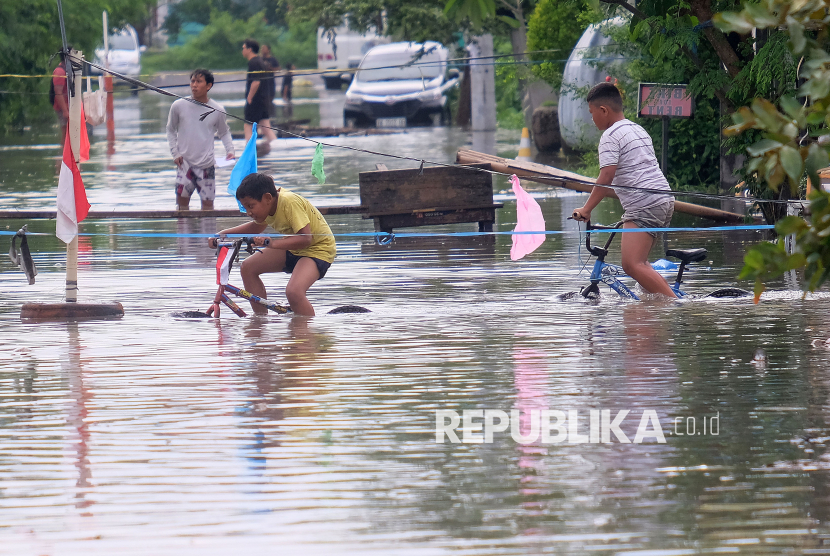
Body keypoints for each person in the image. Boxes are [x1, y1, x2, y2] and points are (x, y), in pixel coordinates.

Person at [571, 82, 677, 298]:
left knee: (631, 265)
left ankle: (675, 306)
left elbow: (606, 176)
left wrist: (587, 209)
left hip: (643, 203)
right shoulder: (636, 129)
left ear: (604, 110)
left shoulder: (610, 136)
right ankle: (650, 316)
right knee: (642, 264)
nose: (592, 119)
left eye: (592, 113)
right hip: (663, 200)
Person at [210, 173, 336, 316]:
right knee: (248, 268)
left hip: (318, 250)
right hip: (293, 248)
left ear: (268, 198)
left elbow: (306, 238)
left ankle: (307, 334)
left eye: (251, 206)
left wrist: (271, 243)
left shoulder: (289, 202)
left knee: (294, 292)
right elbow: (255, 227)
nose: (248, 212)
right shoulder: (267, 208)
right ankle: (260, 321)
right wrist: (222, 234)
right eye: (245, 207)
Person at [166, 68, 235, 211]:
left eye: (199, 82)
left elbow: (224, 132)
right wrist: (175, 153)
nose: (194, 85)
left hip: (207, 164)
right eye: (192, 81)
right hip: (184, 163)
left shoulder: (217, 109)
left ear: (208, 86)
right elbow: (170, 129)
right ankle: (184, 233)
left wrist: (230, 151)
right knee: (182, 203)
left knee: (208, 205)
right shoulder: (178, 105)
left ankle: (207, 233)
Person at [241, 39, 277, 143]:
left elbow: (256, 82)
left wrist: (249, 97)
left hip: (255, 101)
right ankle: (279, 149)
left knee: (248, 126)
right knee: (266, 128)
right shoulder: (261, 61)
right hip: (263, 100)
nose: (242, 50)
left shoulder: (254, 62)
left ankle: (248, 150)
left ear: (249, 49)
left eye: (243, 48)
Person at [50, 50, 70, 148]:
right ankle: (62, 157)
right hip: (62, 107)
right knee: (65, 132)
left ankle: (68, 155)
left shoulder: (68, 70)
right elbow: (58, 92)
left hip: (69, 106)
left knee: (70, 132)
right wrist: (65, 111)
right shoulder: (60, 71)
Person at [260, 44, 280, 118]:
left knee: (270, 98)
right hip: (261, 82)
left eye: (264, 48)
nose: (263, 50)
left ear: (268, 50)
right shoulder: (259, 59)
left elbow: (278, 68)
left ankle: (271, 116)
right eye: (262, 48)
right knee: (263, 99)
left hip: (270, 82)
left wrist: (270, 68)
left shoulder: (272, 59)